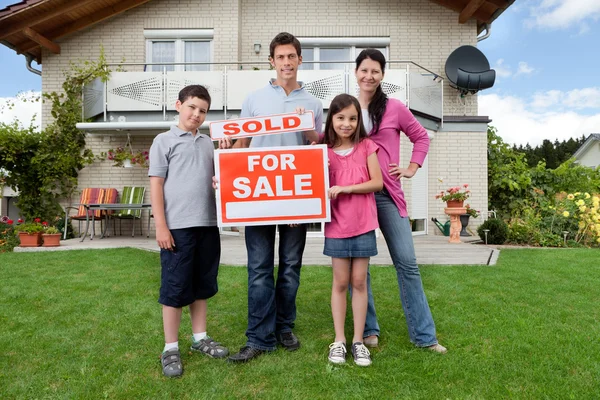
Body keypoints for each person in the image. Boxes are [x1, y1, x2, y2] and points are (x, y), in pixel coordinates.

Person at [227, 32, 324, 363]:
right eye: (280, 57)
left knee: (291, 266)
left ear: (300, 60)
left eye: (291, 56)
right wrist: (224, 168)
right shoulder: (254, 99)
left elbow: (318, 149)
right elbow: (241, 145)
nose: (286, 62)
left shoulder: (312, 103)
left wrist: (307, 125)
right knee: (258, 267)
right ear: (272, 61)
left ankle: (284, 326)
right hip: (258, 196)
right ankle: (258, 337)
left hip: (295, 197)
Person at [354, 49, 447, 353]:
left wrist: (410, 168)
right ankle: (368, 329)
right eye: (364, 70)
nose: (369, 76)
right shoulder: (349, 108)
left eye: (375, 71)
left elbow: (421, 137)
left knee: (407, 264)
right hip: (357, 196)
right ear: (356, 72)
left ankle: (424, 336)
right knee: (360, 267)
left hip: (388, 195)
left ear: (382, 76)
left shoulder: (394, 107)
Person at [149, 85, 232, 378]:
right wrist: (161, 225)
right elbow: (156, 184)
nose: (196, 114)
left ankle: (200, 339)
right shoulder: (163, 141)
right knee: (175, 287)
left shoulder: (209, 144)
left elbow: (215, 179)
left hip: (207, 224)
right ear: (178, 106)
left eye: (202, 111)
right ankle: (170, 347)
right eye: (192, 107)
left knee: (201, 284)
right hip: (177, 227)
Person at [323, 94, 383, 367]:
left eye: (352, 118)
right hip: (336, 225)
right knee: (340, 282)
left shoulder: (367, 146)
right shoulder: (322, 151)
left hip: (363, 225)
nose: (346, 123)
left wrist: (347, 188)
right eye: (340, 118)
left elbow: (377, 183)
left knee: (359, 282)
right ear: (331, 120)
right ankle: (339, 340)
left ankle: (358, 341)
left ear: (359, 121)